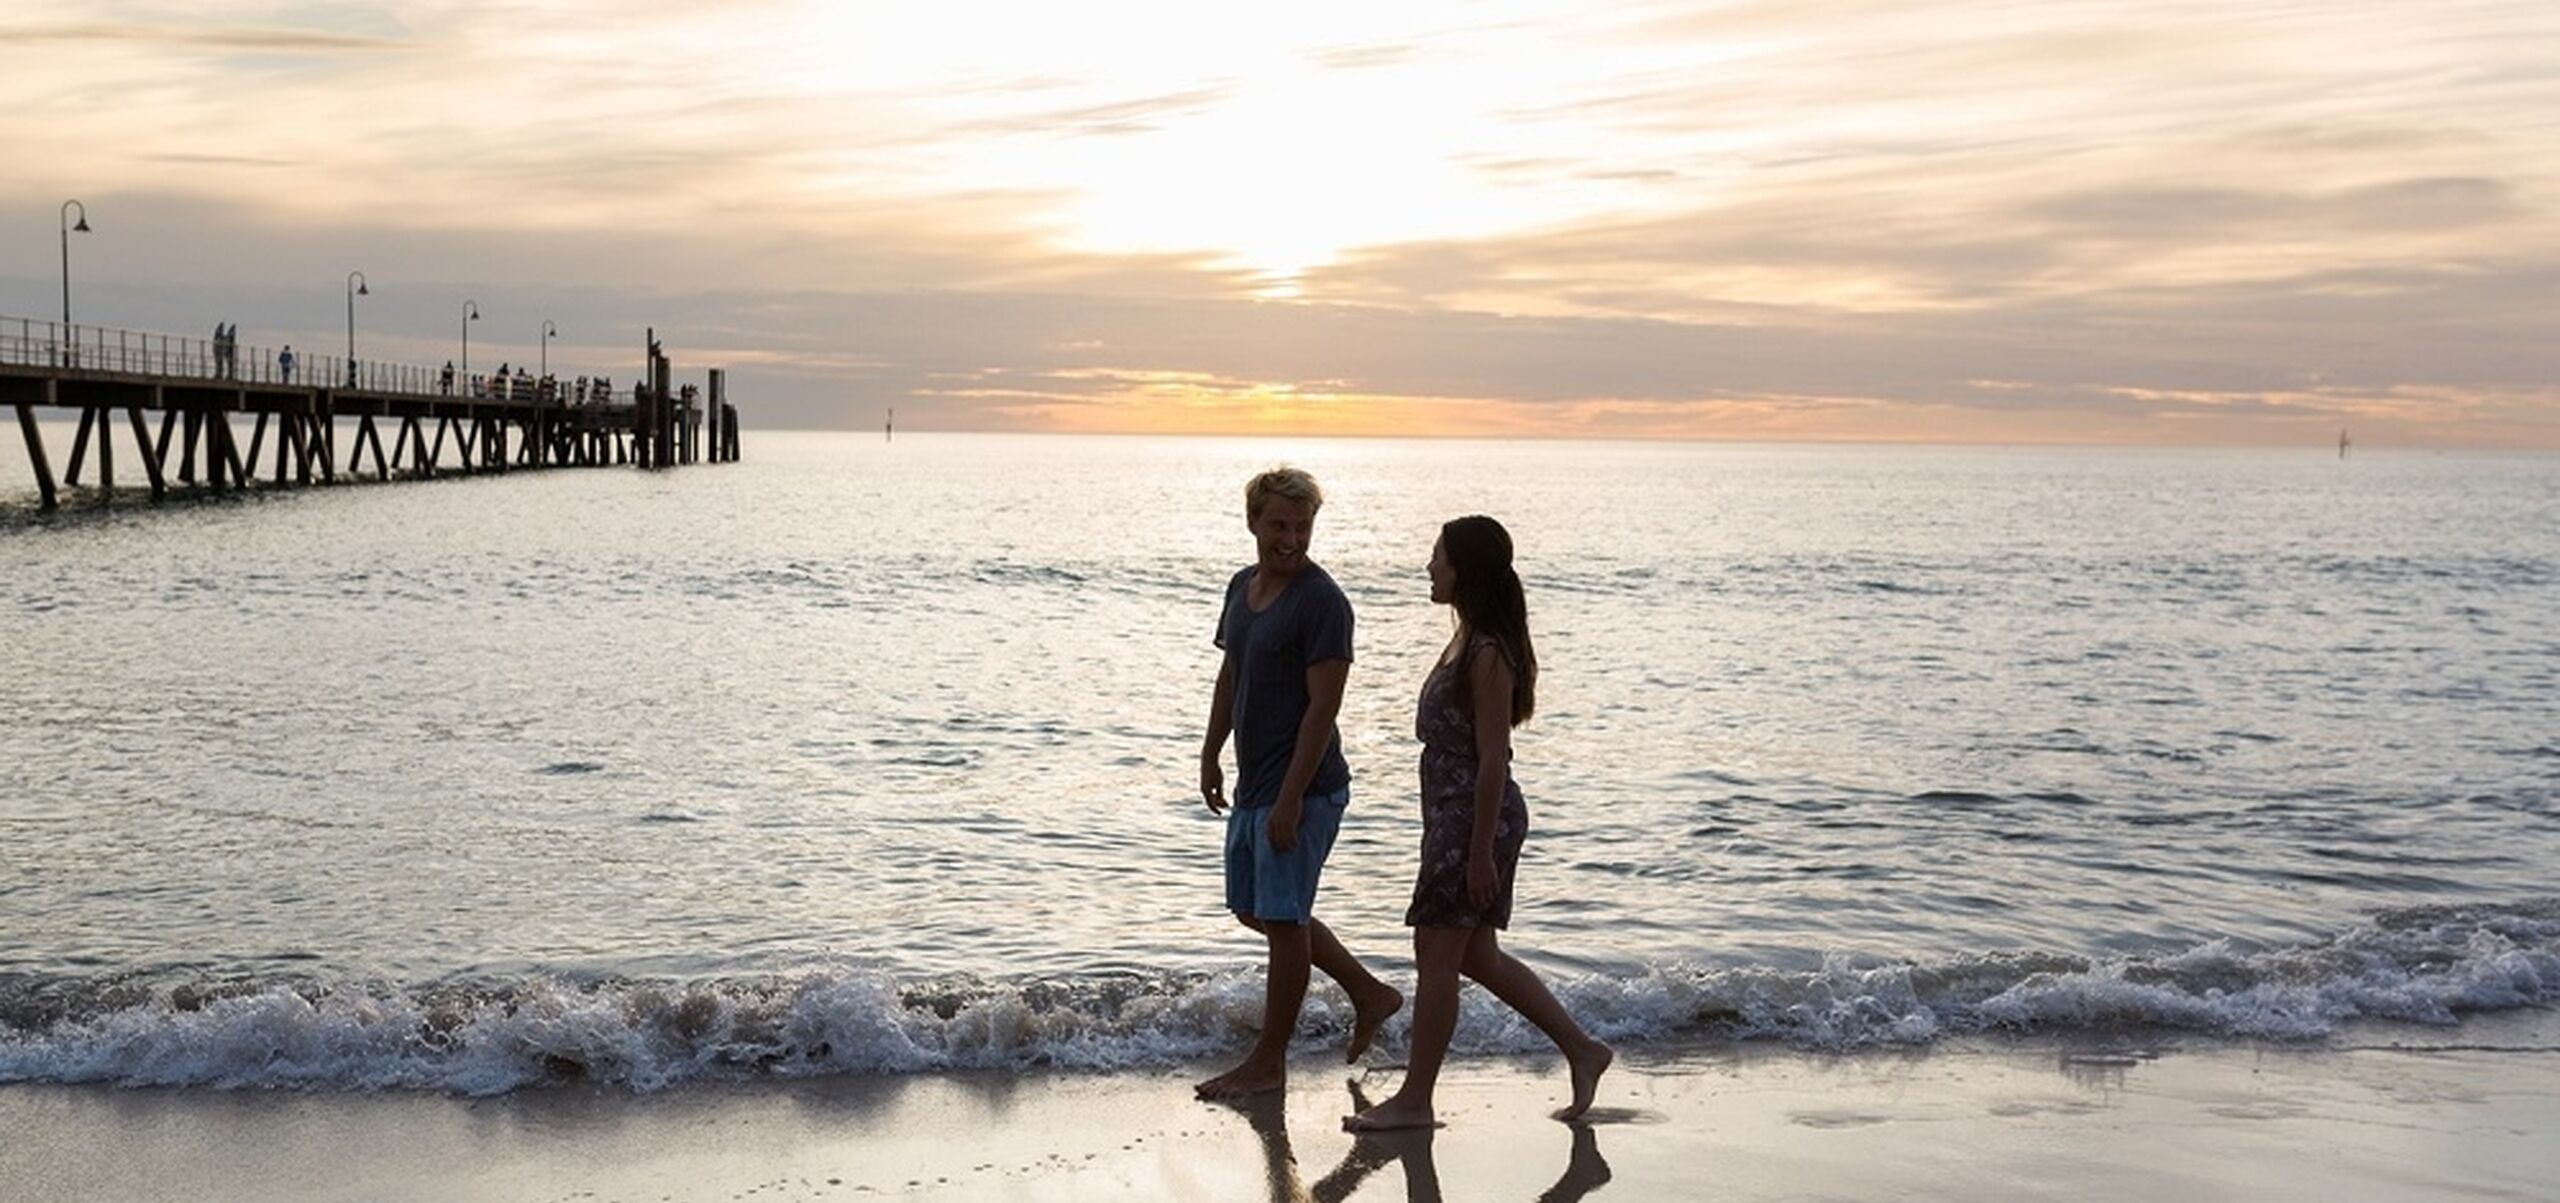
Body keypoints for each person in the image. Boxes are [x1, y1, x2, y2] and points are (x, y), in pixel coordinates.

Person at [1346, 515, 1612, 1131]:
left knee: (1435, 955)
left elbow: (1494, 755)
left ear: (1465, 567)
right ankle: (1583, 1049)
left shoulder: (1488, 650)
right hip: (1455, 816)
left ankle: (1415, 1100)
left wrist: (1476, 853)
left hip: (1474, 821)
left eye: (1438, 556)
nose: (1429, 566)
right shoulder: (1467, 637)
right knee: (1478, 957)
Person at [1197, 467, 1402, 1100]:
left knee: (1285, 923)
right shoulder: (1241, 587)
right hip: (1256, 783)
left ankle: (1268, 1063)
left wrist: (1291, 797)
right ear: (1253, 521)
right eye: (1279, 525)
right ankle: (1370, 992)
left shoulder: (1322, 602)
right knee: (1256, 911)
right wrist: (1211, 752)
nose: (1291, 539)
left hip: (1306, 789)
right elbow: (1232, 675)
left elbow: (1323, 711)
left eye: (1302, 526)